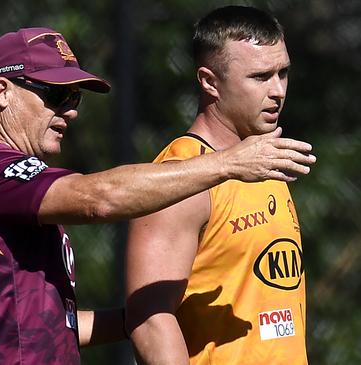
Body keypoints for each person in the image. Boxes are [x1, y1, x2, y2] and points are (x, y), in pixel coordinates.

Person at [0, 26, 314, 364]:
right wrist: (227, 164)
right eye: (56, 96)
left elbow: (51, 323)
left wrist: (148, 316)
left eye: (75, 99)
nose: (71, 112)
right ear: (2, 91)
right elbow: (100, 198)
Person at [125, 6, 309, 365]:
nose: (278, 91)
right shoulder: (180, 176)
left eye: (282, 73)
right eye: (260, 77)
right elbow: (150, 321)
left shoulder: (264, 157)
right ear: (210, 81)